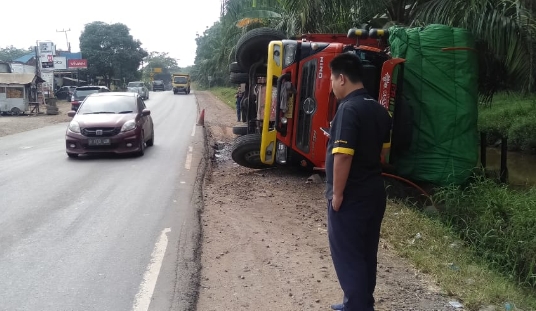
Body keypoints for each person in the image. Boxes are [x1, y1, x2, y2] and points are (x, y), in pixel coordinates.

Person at [325, 52, 392, 311]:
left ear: (342, 78)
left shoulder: (349, 109)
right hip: (374, 192)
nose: (331, 85)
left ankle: (356, 306)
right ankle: (359, 302)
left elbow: (342, 155)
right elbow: (383, 154)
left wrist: (338, 195)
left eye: (331, 79)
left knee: (348, 256)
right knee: (366, 253)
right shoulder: (379, 110)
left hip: (351, 196)